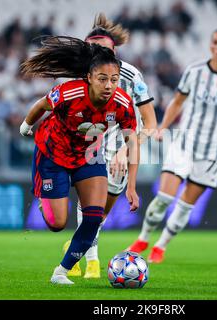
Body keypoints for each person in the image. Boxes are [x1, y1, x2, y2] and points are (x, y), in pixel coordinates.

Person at [19, 36, 139, 285]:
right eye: (102, 79)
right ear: (89, 78)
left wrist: (131, 187)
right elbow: (42, 105)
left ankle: (60, 272)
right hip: (54, 155)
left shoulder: (123, 104)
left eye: (114, 80)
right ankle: (46, 200)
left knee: (94, 219)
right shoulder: (69, 92)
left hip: (88, 157)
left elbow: (133, 142)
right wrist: (26, 125)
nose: (109, 85)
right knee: (57, 224)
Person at [127, 28, 217, 263]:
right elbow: (177, 102)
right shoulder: (194, 72)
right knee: (164, 196)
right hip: (184, 142)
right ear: (210, 45)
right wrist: (163, 126)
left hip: (213, 153)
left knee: (185, 205)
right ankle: (143, 238)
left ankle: (161, 245)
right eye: (215, 42)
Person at [63, 13, 157, 279]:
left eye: (104, 50)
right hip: (90, 145)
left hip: (123, 146)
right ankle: (90, 261)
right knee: (89, 206)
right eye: (94, 50)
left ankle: (77, 244)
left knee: (101, 214)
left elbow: (150, 123)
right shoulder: (80, 75)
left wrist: (127, 149)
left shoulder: (132, 75)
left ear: (114, 52)